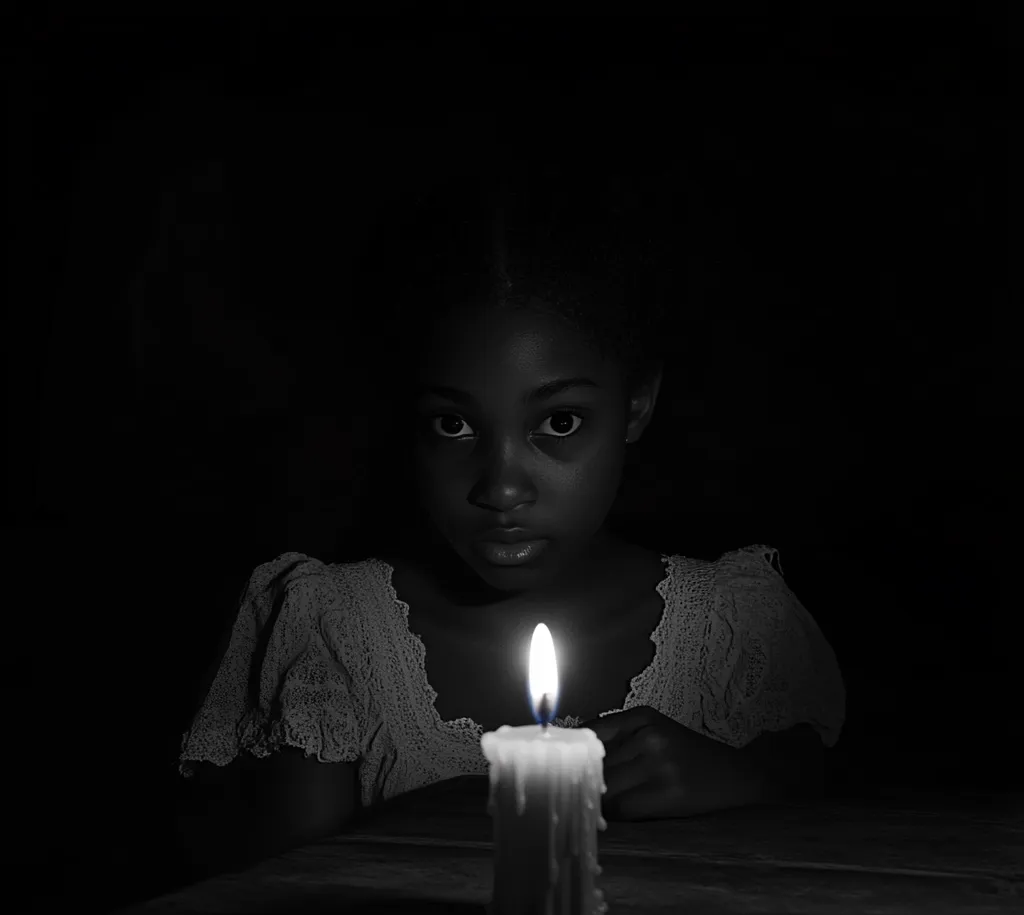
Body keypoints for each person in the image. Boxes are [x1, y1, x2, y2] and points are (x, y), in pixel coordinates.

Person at [175, 170, 845, 879]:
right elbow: (293, 899)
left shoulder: (735, 631)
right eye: (454, 424)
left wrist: (749, 781)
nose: (500, 487)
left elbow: (851, 841)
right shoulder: (335, 632)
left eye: (559, 423)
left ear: (638, 405)